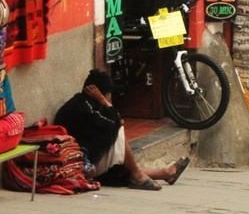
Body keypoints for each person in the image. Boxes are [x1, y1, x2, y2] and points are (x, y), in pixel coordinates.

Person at [55, 71, 189, 191]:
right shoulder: (84, 107)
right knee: (119, 131)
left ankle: (165, 173)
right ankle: (138, 174)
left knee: (122, 169)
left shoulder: (87, 104)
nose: (109, 98)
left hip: (85, 158)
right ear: (99, 93)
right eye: (108, 94)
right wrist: (104, 101)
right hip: (81, 164)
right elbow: (117, 122)